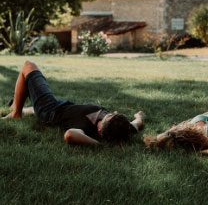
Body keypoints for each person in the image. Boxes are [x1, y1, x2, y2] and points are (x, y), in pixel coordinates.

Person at [2, 61, 143, 145]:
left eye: (109, 116)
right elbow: (136, 123)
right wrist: (139, 116)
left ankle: (16, 113)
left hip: (50, 111)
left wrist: (98, 145)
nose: (114, 112)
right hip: (63, 106)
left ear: (99, 130)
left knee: (28, 66)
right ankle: (17, 105)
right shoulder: (123, 128)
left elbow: (69, 135)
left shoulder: (85, 127)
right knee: (33, 106)